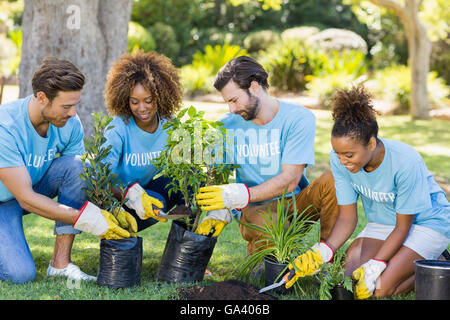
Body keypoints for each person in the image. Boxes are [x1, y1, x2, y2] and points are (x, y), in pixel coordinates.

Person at [284, 85, 450, 299]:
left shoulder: (405, 161)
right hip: (384, 223)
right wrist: (323, 251)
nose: (342, 161)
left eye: (349, 155)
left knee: (378, 288)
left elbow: (402, 227)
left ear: (371, 143)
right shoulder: (340, 161)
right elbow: (347, 217)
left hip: (426, 223)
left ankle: (437, 264)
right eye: (338, 153)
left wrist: (376, 264)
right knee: (348, 280)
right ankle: (409, 260)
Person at [0, 56, 134, 284]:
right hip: (10, 199)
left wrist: (120, 200)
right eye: (66, 106)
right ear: (42, 98)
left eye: (75, 105)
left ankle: (60, 264)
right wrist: (87, 219)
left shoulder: (69, 124)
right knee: (20, 275)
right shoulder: (6, 127)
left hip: (28, 189)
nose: (73, 112)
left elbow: (80, 176)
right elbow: (27, 200)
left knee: (77, 166)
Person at [195, 56, 340, 255]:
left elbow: (290, 180)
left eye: (234, 100)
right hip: (255, 210)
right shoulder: (226, 126)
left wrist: (242, 194)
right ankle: (263, 251)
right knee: (274, 242)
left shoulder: (298, 118)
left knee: (333, 180)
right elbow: (217, 177)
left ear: (254, 87)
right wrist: (218, 211)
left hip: (294, 204)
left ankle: (325, 257)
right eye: (227, 102)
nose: (231, 109)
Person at [102, 51, 186, 231]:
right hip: (117, 199)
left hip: (145, 193)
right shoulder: (117, 129)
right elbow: (99, 179)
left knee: (188, 175)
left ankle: (184, 246)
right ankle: (118, 231)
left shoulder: (170, 125)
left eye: (149, 100)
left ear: (161, 96)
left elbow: (183, 169)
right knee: (154, 203)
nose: (142, 108)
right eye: (134, 102)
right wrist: (129, 195)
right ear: (125, 100)